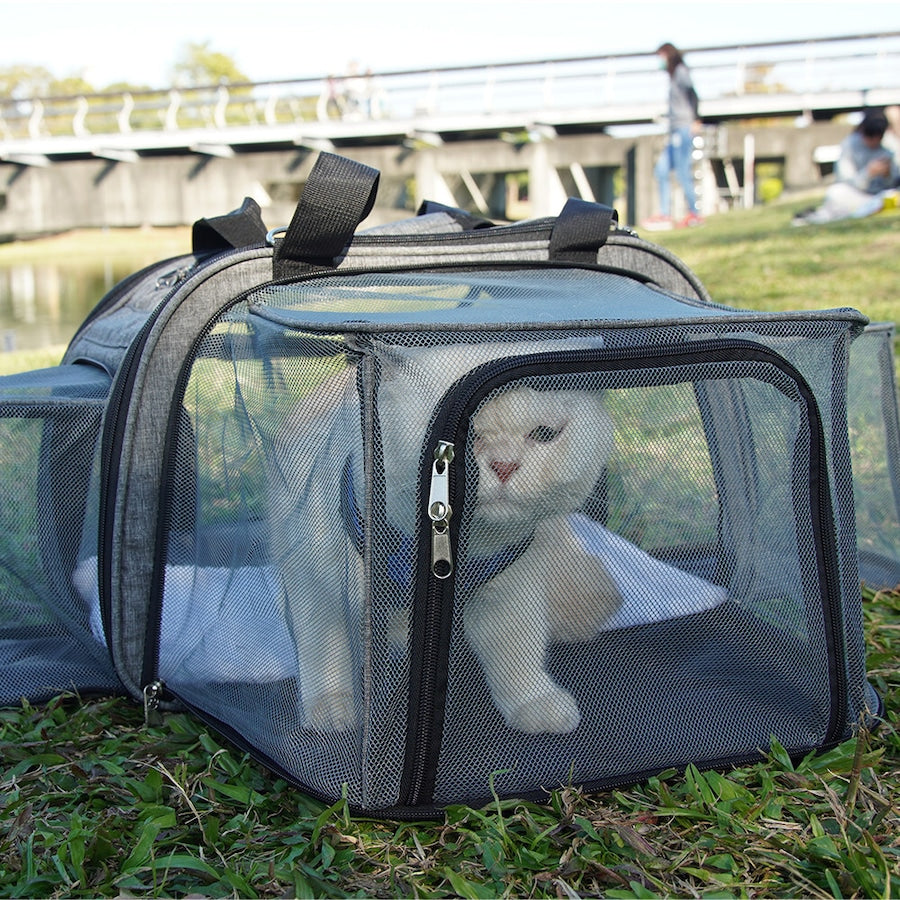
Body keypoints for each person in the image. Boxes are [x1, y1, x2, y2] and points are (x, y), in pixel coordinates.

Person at [792, 110, 899, 226]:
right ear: (863, 131)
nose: (874, 141)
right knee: (836, 192)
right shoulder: (850, 145)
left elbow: (894, 182)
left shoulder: (889, 143)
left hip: (882, 196)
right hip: (858, 196)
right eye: (870, 137)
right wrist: (868, 173)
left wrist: (888, 174)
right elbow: (845, 181)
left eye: (878, 138)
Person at [643, 43, 704, 231]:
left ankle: (694, 214)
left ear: (668, 55)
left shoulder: (681, 72)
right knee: (661, 170)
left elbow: (693, 95)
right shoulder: (672, 77)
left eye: (661, 56)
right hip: (673, 129)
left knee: (682, 172)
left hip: (683, 128)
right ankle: (665, 214)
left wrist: (696, 119)